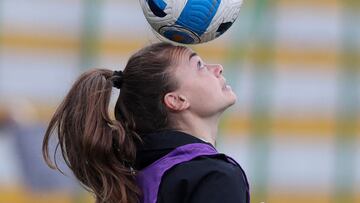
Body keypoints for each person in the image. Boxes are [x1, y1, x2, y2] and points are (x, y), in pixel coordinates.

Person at [42, 42, 250, 203]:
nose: (218, 68)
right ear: (176, 100)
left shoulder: (140, 178)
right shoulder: (215, 178)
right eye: (200, 65)